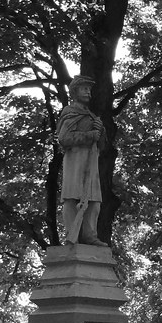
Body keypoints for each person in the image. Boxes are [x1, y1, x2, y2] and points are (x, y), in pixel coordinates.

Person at [55, 75, 108, 246]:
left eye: (89, 89)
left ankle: (90, 236)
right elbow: (64, 138)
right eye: (84, 88)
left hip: (91, 161)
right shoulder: (70, 112)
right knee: (72, 198)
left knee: (94, 201)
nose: (88, 92)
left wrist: (101, 133)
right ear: (74, 92)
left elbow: (101, 145)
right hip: (75, 160)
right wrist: (90, 135)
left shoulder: (91, 116)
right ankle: (72, 235)